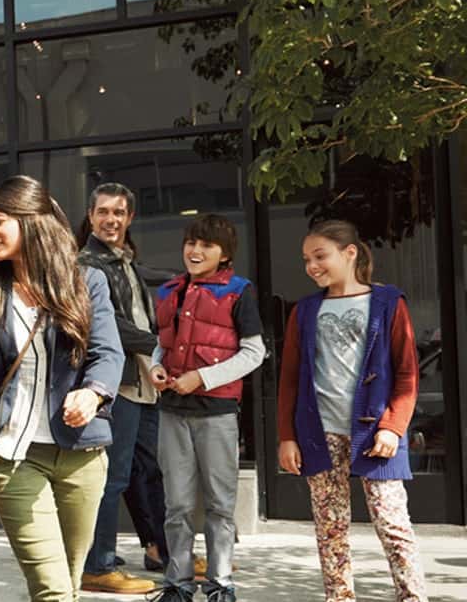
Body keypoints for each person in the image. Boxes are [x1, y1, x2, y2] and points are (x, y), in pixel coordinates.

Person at [0, 175, 124, 601]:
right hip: (13, 457)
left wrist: (93, 392)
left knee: (69, 582)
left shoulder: (85, 283)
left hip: (82, 456)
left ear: (31, 220)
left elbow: (108, 353)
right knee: (53, 592)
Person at [277, 219, 426, 602]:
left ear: (350, 252)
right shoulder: (306, 311)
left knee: (393, 525)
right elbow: (290, 378)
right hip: (319, 433)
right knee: (330, 528)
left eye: (320, 255)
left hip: (376, 434)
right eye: (306, 259)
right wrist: (287, 436)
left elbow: (407, 372)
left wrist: (392, 427)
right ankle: (339, 598)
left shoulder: (388, 302)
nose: (312, 266)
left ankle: (413, 597)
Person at [145, 214, 264, 602]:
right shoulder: (167, 291)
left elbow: (254, 352)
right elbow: (160, 343)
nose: (195, 251)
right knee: (176, 505)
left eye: (206, 245)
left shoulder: (239, 291)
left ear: (224, 253)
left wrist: (203, 377)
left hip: (217, 414)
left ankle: (220, 585)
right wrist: (157, 366)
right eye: (191, 243)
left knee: (219, 505)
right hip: (172, 412)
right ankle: (177, 585)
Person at [75, 183, 168, 594]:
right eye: (104, 212)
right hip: (118, 382)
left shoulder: (123, 260)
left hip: (142, 378)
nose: (111, 220)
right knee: (113, 477)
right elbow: (108, 323)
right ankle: (97, 565)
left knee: (146, 471)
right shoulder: (87, 263)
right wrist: (161, 348)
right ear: (91, 216)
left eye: (119, 213)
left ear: (129, 218)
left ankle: (161, 550)